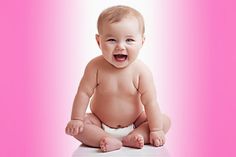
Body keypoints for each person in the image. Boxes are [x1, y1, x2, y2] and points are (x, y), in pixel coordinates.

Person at [65, 5, 171, 152]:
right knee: (79, 126)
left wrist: (156, 129)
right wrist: (76, 119)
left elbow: (150, 102)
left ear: (142, 41)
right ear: (98, 41)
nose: (121, 47)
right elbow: (83, 93)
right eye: (112, 40)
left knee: (164, 121)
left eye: (129, 40)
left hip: (135, 121)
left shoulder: (141, 71)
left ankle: (137, 135)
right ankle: (104, 139)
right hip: (99, 121)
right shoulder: (95, 67)